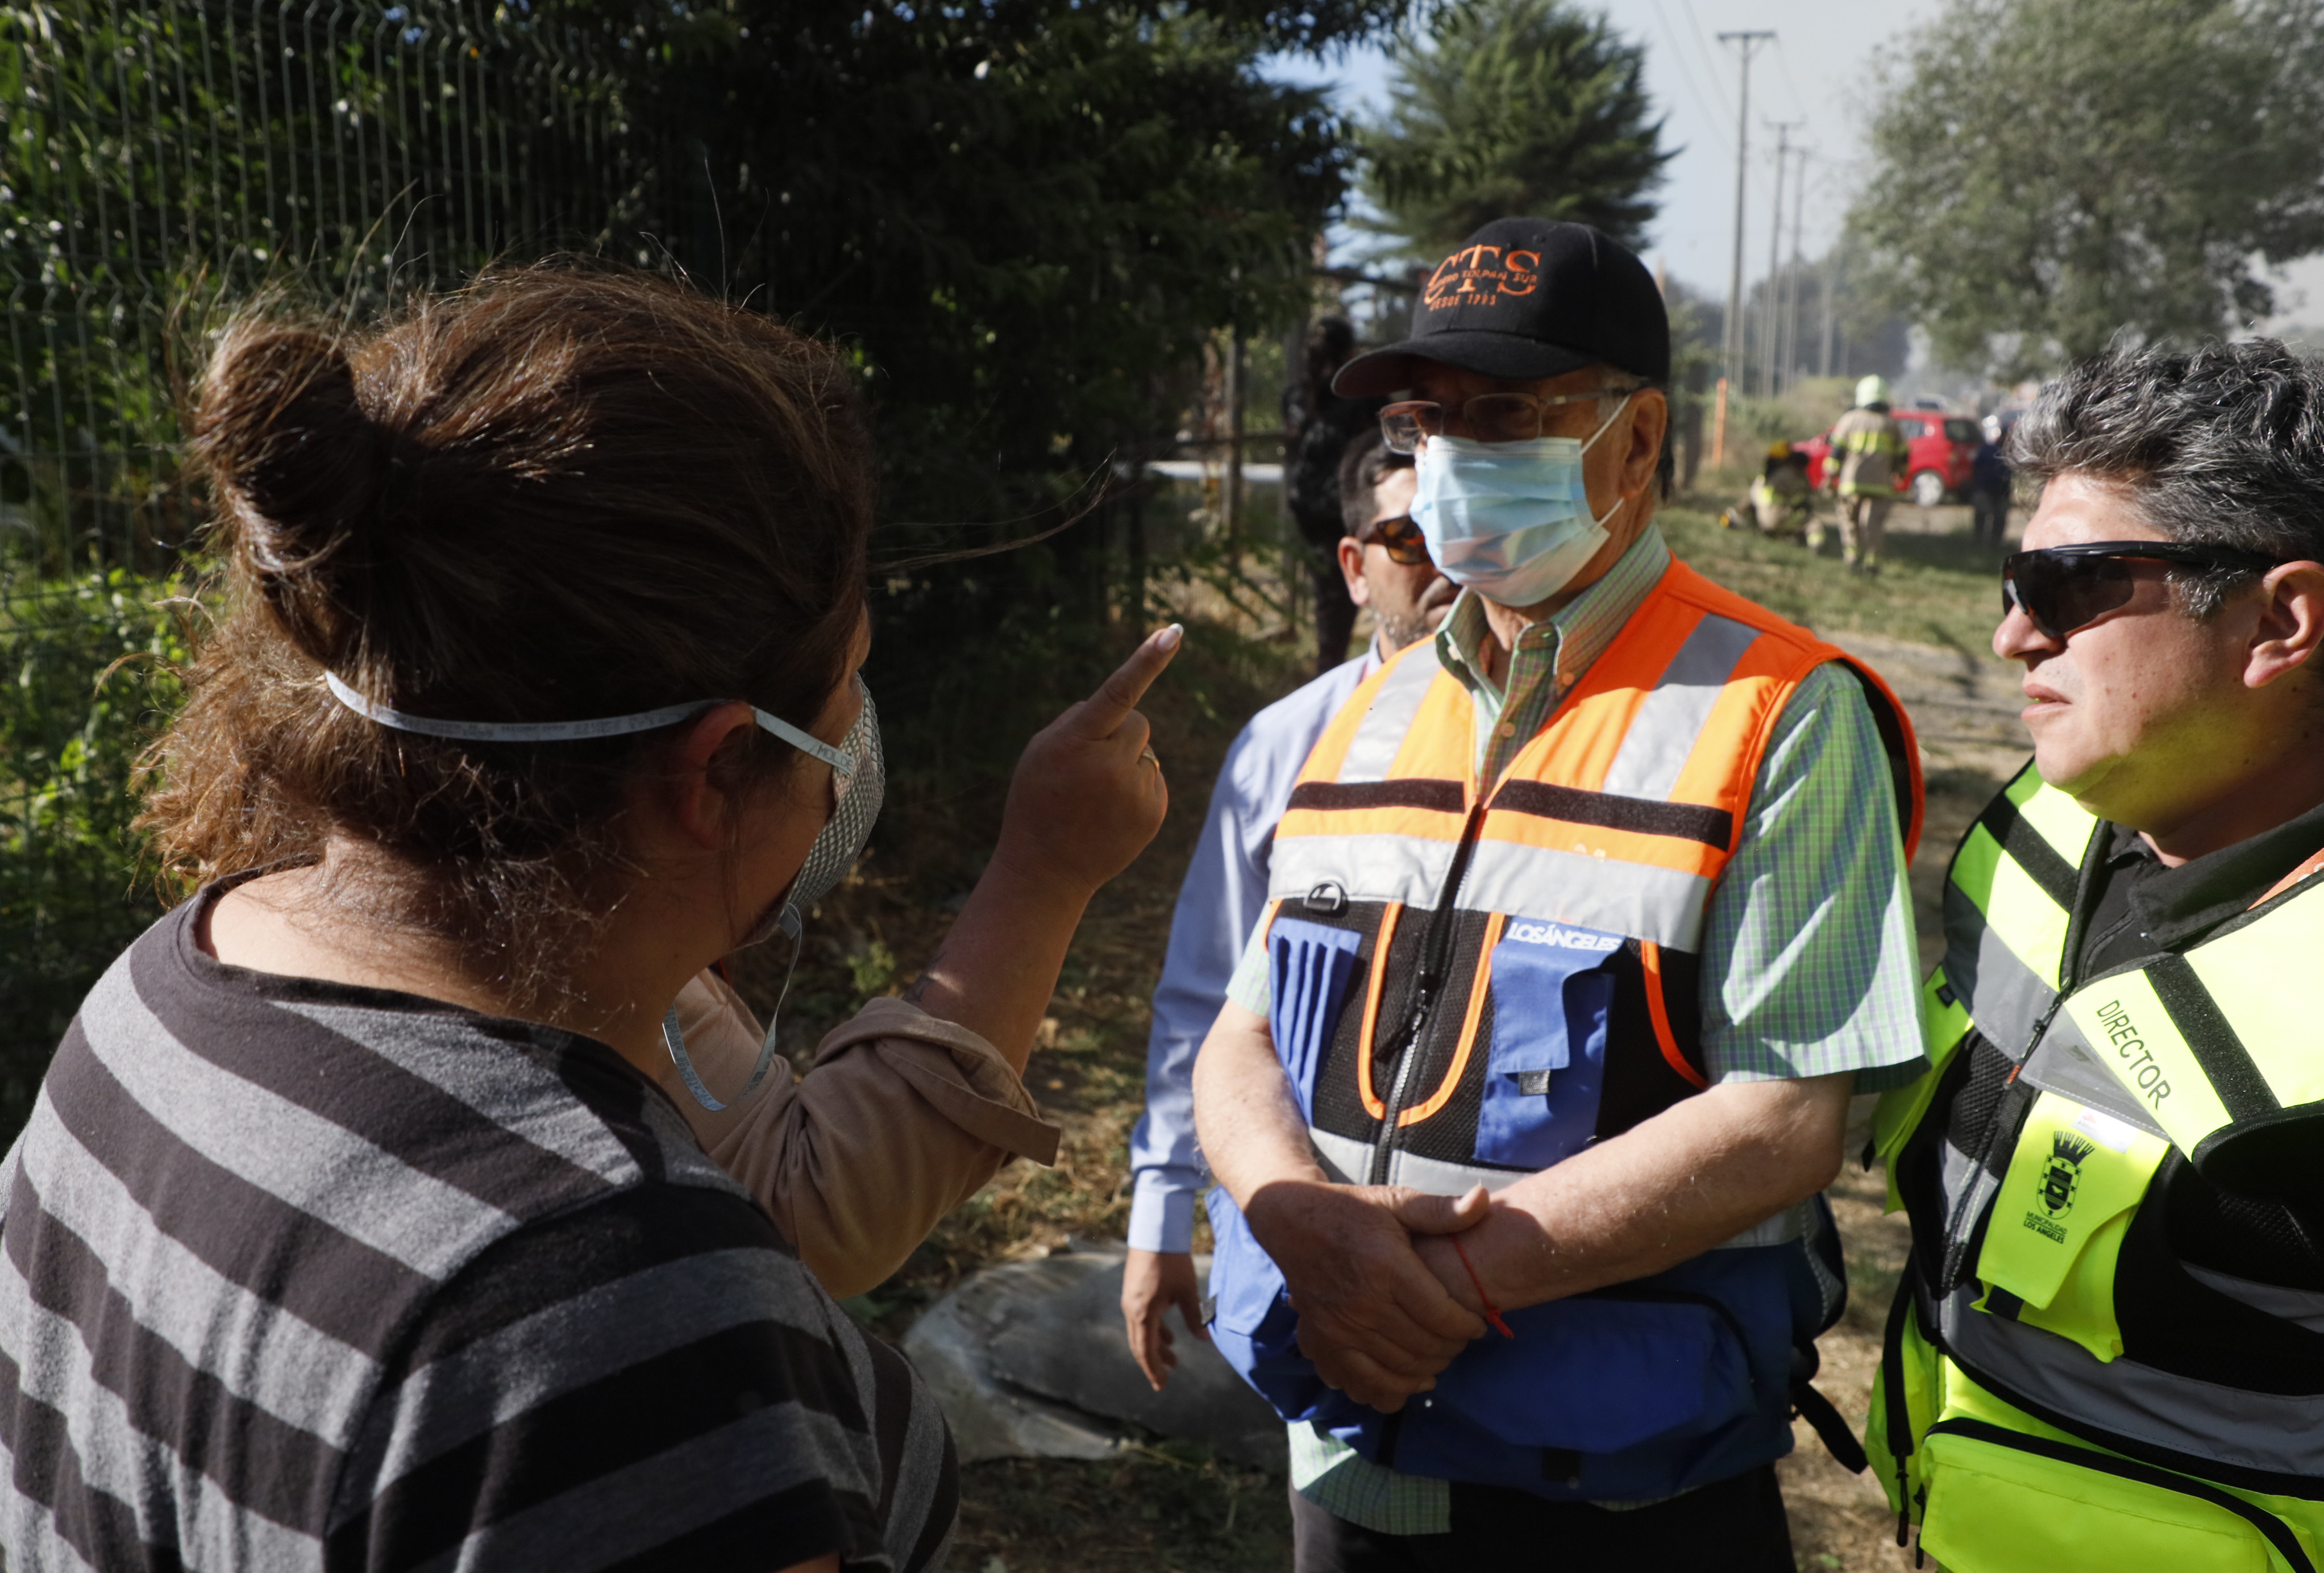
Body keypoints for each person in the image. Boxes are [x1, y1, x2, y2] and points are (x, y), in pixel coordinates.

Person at [0, 269, 1180, 1571]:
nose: (860, 733)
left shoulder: (156, 996)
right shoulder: (606, 1302)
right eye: (849, 681)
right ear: (717, 768)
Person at [1191, 217, 1931, 1571]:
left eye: (1504, 414)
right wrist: (1293, 1217)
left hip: (1620, 1485)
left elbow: (1780, 1120)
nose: (1452, 458)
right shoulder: (1365, 710)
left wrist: (1434, 1290)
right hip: (1346, 1457)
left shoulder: (1780, 712)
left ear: (1637, 441)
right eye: (1429, 419)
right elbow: (1242, 1029)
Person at [1869, 340, 2324, 1570]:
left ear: (2281, 620)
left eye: (2069, 585)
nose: (2009, 638)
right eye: (2009, 579)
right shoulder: (2035, 829)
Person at [1123, 428, 1453, 1388]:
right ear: (1354, 567)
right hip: (1309, 1249)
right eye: (1408, 541)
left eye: (1459, 532)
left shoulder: (1567, 743)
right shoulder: (1285, 748)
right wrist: (1159, 1218)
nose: (1444, 567)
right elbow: (1202, 992)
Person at [1285, 318, 1387, 671]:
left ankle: (1333, 669)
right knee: (1345, 599)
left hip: (1309, 512)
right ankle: (1337, 681)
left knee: (1331, 599)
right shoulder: (1364, 398)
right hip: (1347, 510)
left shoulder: (1297, 398)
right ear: (1349, 352)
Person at [1815, 374, 1906, 573]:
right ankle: (1872, 561)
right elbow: (1902, 456)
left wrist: (1830, 477)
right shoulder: (1891, 425)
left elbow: (1836, 452)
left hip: (1851, 484)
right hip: (1881, 485)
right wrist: (1899, 474)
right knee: (1873, 523)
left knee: (1849, 521)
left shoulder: (1850, 420)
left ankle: (1852, 557)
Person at [1726, 441, 1814, 540]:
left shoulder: (1763, 478)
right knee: (1812, 522)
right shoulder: (1788, 476)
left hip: (1761, 518)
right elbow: (1802, 496)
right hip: (1776, 518)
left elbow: (1750, 498)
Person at [1968, 411, 2012, 548]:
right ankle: (1978, 544)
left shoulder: (2009, 453)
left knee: (1999, 520)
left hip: (2001, 491)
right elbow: (1976, 467)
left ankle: (1995, 545)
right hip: (1985, 488)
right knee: (1981, 518)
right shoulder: (1988, 449)